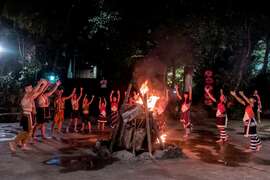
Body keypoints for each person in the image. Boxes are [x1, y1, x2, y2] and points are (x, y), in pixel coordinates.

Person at [9, 79, 48, 153]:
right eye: (30, 88)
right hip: (27, 115)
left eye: (31, 87)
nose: (31, 89)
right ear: (26, 89)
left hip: (28, 115)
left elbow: (39, 92)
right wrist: (40, 83)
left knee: (28, 131)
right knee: (27, 131)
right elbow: (34, 91)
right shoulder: (27, 95)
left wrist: (44, 85)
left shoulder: (30, 96)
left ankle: (23, 145)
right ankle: (13, 142)